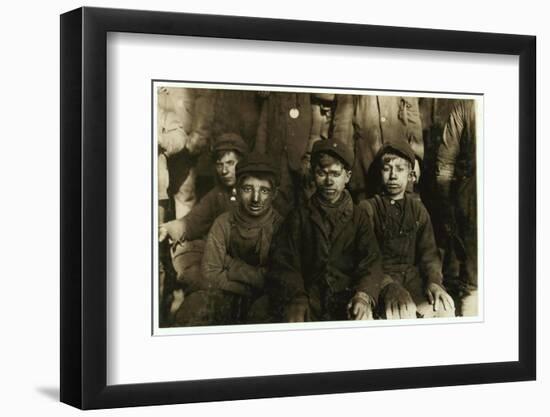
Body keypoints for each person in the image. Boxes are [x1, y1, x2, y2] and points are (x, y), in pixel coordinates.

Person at [266, 138, 385, 322]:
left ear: (347, 177)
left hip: (348, 298)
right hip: (308, 297)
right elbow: (283, 262)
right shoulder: (299, 216)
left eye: (336, 174)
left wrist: (363, 295)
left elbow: (371, 262)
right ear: (313, 174)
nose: (329, 181)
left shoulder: (359, 216)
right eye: (322, 173)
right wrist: (296, 296)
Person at [175, 153, 283, 325]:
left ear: (274, 194)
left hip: (263, 300)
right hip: (225, 293)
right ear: (238, 190)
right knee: (192, 309)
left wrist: (230, 265)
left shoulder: (280, 226)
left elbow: (274, 280)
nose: (256, 199)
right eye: (248, 189)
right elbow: (209, 275)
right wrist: (250, 283)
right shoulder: (224, 222)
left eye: (264, 191)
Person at [158, 133, 249, 320]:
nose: (224, 170)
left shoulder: (254, 192)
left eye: (230, 163)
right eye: (219, 164)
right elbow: (193, 221)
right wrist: (169, 228)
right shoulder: (217, 195)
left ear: (242, 162)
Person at [360, 141, 455, 319]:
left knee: (443, 309)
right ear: (379, 173)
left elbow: (429, 255)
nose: (393, 175)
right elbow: (367, 261)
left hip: (413, 280)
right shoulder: (368, 209)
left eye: (400, 169)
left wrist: (434, 283)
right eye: (387, 169)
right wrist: (387, 286)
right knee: (401, 312)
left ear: (411, 174)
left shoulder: (418, 209)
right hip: (379, 282)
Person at [331, 95, 424, 200]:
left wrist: (415, 157)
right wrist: (342, 162)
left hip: (400, 162)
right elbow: (343, 125)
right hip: (364, 165)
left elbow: (413, 119)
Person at [435, 99, 478, 316]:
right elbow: (445, 163)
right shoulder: (467, 106)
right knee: (473, 279)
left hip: (472, 197)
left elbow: (444, 164)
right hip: (472, 197)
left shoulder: (467, 104)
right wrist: (447, 205)